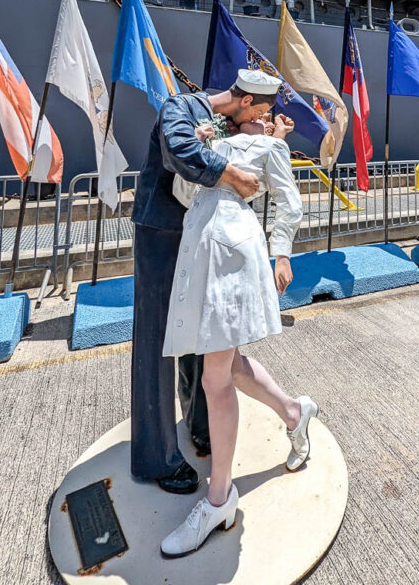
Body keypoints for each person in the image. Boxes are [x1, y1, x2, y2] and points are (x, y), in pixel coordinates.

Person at [160, 114, 318, 558]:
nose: (262, 120)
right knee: (225, 367)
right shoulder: (215, 144)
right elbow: (183, 193)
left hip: (231, 254)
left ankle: (218, 499)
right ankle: (294, 411)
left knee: (214, 377)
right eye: (257, 112)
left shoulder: (271, 149)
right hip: (200, 249)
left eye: (267, 114)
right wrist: (195, 144)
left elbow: (289, 202)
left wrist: (281, 251)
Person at [130, 69, 281, 494]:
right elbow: (178, 149)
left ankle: (202, 428)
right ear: (246, 102)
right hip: (163, 232)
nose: (261, 119)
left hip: (200, 234)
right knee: (157, 340)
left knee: (203, 332)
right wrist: (232, 174)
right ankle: (155, 458)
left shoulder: (226, 130)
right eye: (261, 111)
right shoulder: (178, 107)